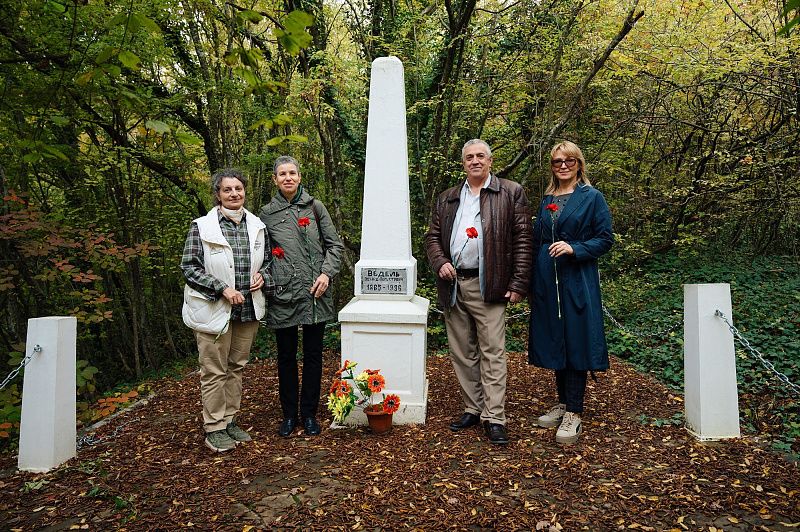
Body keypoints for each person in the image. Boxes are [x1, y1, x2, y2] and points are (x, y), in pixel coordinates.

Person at [425, 139, 532, 445]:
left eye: (480, 156)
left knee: (492, 352)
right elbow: (432, 237)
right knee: (462, 352)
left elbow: (523, 240)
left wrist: (518, 283)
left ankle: (494, 417)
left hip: (490, 284)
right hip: (454, 284)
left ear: (490, 161)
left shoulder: (510, 192)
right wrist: (440, 262)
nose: (475, 161)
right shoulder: (448, 198)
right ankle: (473, 408)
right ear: (463, 163)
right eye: (469, 157)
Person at [181, 168, 276, 452]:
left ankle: (230, 420)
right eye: (227, 190)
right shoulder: (202, 227)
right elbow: (190, 267)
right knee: (214, 370)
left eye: (238, 189)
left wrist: (263, 277)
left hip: (248, 309)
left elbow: (269, 262)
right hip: (214, 309)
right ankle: (214, 427)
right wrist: (222, 288)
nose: (234, 194)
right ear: (218, 194)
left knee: (236, 367)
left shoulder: (257, 226)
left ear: (245, 191)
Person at [528, 141, 613, 444]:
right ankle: (563, 403)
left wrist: (574, 248)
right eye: (557, 161)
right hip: (548, 281)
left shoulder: (592, 197)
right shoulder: (547, 199)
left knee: (576, 339)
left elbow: (605, 239)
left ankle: (574, 412)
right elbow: (538, 239)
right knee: (557, 339)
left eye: (569, 161)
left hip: (577, 279)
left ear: (579, 164)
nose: (562, 166)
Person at [259, 156, 344, 437]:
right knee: (285, 356)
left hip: (315, 292)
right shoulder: (266, 214)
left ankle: (308, 414)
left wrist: (326, 274)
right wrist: (266, 278)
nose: (288, 178)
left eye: (292, 173)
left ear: (299, 176)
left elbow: (334, 246)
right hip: (283, 293)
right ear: (275, 179)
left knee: (313, 354)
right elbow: (261, 255)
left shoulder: (315, 207)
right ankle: (288, 415)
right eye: (282, 174)